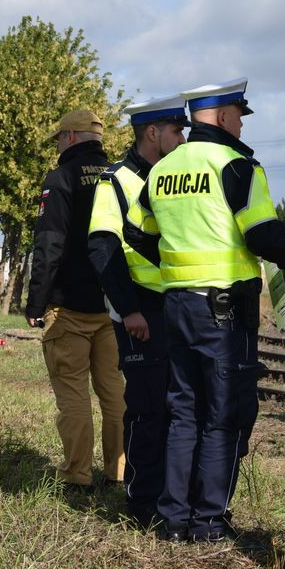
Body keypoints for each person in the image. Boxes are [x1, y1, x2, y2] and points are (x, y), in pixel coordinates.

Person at [137, 78, 285, 542]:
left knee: (183, 412)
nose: (239, 123)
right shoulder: (237, 166)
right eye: (237, 114)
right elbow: (263, 236)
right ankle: (209, 524)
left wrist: (176, 266)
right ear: (224, 116)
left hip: (176, 306)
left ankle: (173, 521)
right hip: (224, 312)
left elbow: (139, 232)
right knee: (224, 415)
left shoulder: (163, 171)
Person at [87, 95, 188, 526]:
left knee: (176, 407)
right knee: (148, 409)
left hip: (175, 306)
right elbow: (102, 246)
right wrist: (128, 310)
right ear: (153, 133)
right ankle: (142, 503)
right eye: (176, 131)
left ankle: (173, 498)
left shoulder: (172, 177)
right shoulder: (116, 180)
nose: (182, 139)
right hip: (140, 310)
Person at [25, 109, 126, 492]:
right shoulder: (119, 176)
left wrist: (36, 303)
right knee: (114, 393)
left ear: (69, 136)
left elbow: (48, 245)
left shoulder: (61, 178)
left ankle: (77, 477)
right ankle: (118, 473)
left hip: (68, 307)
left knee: (73, 396)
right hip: (112, 306)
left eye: (59, 139)